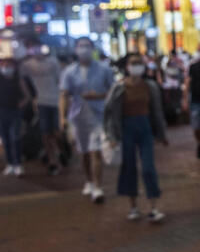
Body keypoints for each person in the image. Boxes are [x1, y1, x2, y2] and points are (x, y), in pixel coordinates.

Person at [104, 53, 168, 222]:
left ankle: (153, 207)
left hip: (145, 127)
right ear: (127, 66)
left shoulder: (150, 86)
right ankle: (133, 207)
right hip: (126, 129)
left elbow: (157, 112)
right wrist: (111, 136)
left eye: (139, 63)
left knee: (148, 168)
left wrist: (161, 133)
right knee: (129, 167)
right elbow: (110, 113)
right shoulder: (119, 87)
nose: (136, 66)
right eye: (133, 63)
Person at [59, 38, 115, 203]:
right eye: (81, 46)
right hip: (78, 117)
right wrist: (62, 117)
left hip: (99, 115)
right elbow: (64, 95)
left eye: (87, 46)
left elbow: (113, 92)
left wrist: (97, 96)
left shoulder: (104, 69)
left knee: (95, 151)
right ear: (76, 49)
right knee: (84, 152)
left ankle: (98, 187)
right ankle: (89, 180)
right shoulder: (69, 72)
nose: (84, 49)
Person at [20, 38, 63, 175]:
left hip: (55, 101)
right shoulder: (28, 64)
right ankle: (52, 160)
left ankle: (59, 150)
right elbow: (21, 78)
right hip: (41, 103)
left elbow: (60, 81)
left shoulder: (53, 62)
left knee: (56, 132)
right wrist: (29, 96)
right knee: (45, 133)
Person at [0, 57, 30, 177]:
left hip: (15, 113)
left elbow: (27, 96)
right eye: (4, 65)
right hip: (1, 112)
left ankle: (18, 164)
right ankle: (10, 164)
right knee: (5, 139)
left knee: (15, 137)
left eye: (9, 65)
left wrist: (21, 104)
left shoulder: (19, 80)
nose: (6, 67)